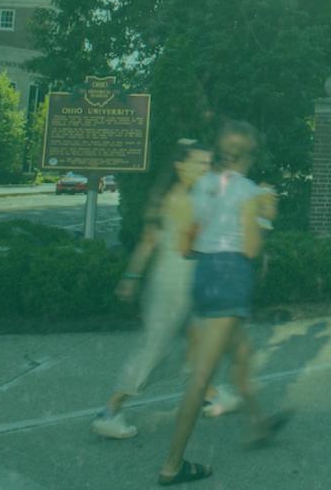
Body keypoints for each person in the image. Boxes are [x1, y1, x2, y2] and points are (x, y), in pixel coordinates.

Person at [158, 120, 288, 486]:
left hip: (204, 275)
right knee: (202, 377)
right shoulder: (249, 192)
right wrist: (265, 216)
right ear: (250, 155)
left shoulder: (201, 187)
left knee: (242, 354)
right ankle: (172, 464)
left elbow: (186, 248)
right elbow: (249, 249)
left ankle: (260, 424)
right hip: (230, 279)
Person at [91, 140, 241, 439]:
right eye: (199, 163)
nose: (206, 169)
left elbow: (149, 241)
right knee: (155, 348)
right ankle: (110, 412)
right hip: (177, 282)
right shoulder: (184, 201)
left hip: (174, 278)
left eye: (208, 163)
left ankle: (211, 394)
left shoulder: (176, 195)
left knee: (196, 341)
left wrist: (132, 276)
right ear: (180, 165)